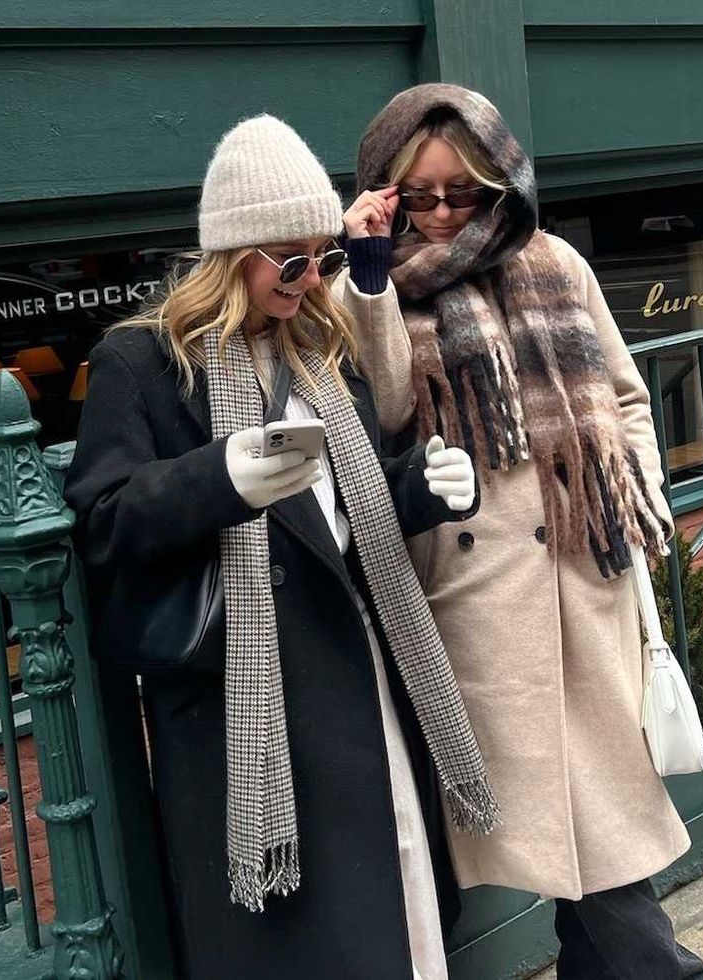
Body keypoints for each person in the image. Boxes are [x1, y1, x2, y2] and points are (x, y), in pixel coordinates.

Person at [63, 114, 499, 980]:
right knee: (304, 945)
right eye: (289, 262)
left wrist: (426, 486)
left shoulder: (319, 351)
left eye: (321, 257)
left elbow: (350, 508)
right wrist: (217, 477)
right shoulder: (142, 363)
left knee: (395, 905)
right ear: (232, 256)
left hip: (360, 676)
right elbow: (104, 521)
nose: (310, 280)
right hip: (245, 701)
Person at [340, 83, 703, 980]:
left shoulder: (554, 262)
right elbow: (386, 410)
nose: (440, 212)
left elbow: (624, 394)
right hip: (480, 598)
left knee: (598, 827)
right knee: (580, 828)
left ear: (499, 183)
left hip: (587, 569)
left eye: (460, 192)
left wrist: (636, 492)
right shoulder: (375, 287)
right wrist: (369, 273)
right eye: (418, 194)